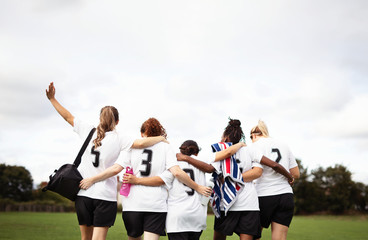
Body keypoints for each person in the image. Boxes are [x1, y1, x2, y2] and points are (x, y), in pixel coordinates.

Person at [46, 82, 166, 240]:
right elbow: (142, 143)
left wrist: (52, 99)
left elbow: (67, 116)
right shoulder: (120, 138)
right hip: (105, 196)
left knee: (85, 239)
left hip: (83, 193)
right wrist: (161, 138)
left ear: (100, 119)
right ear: (117, 121)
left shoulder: (88, 130)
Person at [80, 118, 213, 240]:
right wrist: (198, 187)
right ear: (159, 132)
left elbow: (116, 168)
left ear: (142, 133)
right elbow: (174, 173)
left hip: (132, 205)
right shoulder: (166, 147)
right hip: (156, 206)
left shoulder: (131, 147)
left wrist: (92, 179)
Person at [124, 139, 246, 240]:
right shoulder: (202, 161)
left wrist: (137, 180)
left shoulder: (174, 164)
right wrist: (240, 143)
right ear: (196, 152)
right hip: (197, 217)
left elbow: (161, 180)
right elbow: (225, 154)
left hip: (177, 217)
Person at [177, 119, 263, 240]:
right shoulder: (250, 149)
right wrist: (238, 179)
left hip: (225, 203)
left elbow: (218, 174)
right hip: (249, 203)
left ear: (226, 138)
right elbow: (258, 172)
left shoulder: (220, 152)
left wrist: (231, 178)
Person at [249, 120, 300, 240]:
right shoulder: (284, 145)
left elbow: (255, 172)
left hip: (263, 195)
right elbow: (296, 174)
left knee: (252, 236)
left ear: (254, 135)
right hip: (286, 195)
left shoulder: (254, 147)